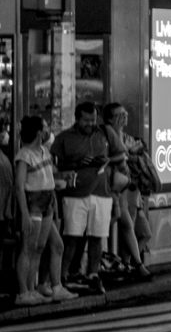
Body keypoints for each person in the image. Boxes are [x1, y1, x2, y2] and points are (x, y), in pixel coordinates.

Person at [52, 103, 114, 293]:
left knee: (98, 236)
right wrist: (75, 163)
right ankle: (63, 275)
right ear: (77, 119)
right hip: (75, 193)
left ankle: (93, 274)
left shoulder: (104, 134)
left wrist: (107, 162)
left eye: (93, 120)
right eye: (86, 120)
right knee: (72, 237)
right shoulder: (64, 138)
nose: (90, 124)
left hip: (102, 192)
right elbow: (54, 166)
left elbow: (120, 155)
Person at [9, 117, 69, 304]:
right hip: (33, 201)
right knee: (28, 247)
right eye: (44, 128)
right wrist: (25, 214)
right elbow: (19, 186)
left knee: (40, 247)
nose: (47, 131)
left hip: (47, 200)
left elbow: (48, 177)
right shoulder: (25, 155)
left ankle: (33, 288)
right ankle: (23, 291)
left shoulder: (44, 151)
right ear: (38, 132)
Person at [102, 103, 155, 280]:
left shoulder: (125, 136)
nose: (124, 117)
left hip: (127, 190)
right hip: (111, 188)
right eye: (119, 115)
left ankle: (130, 264)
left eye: (125, 114)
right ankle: (131, 265)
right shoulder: (108, 133)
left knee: (131, 227)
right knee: (124, 224)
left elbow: (134, 152)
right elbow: (118, 154)